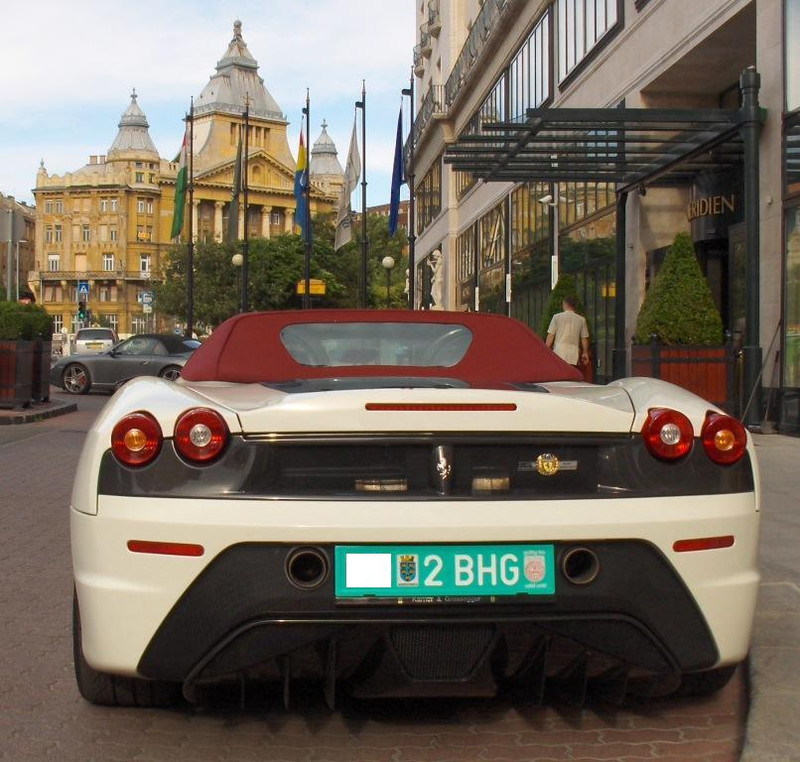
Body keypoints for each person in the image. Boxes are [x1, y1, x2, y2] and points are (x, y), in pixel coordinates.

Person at [546, 295, 590, 367]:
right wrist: (585, 352)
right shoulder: (581, 319)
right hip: (573, 354)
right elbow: (584, 338)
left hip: (559, 352)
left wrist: (546, 350)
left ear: (564, 304)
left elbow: (551, 335)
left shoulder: (556, 317)